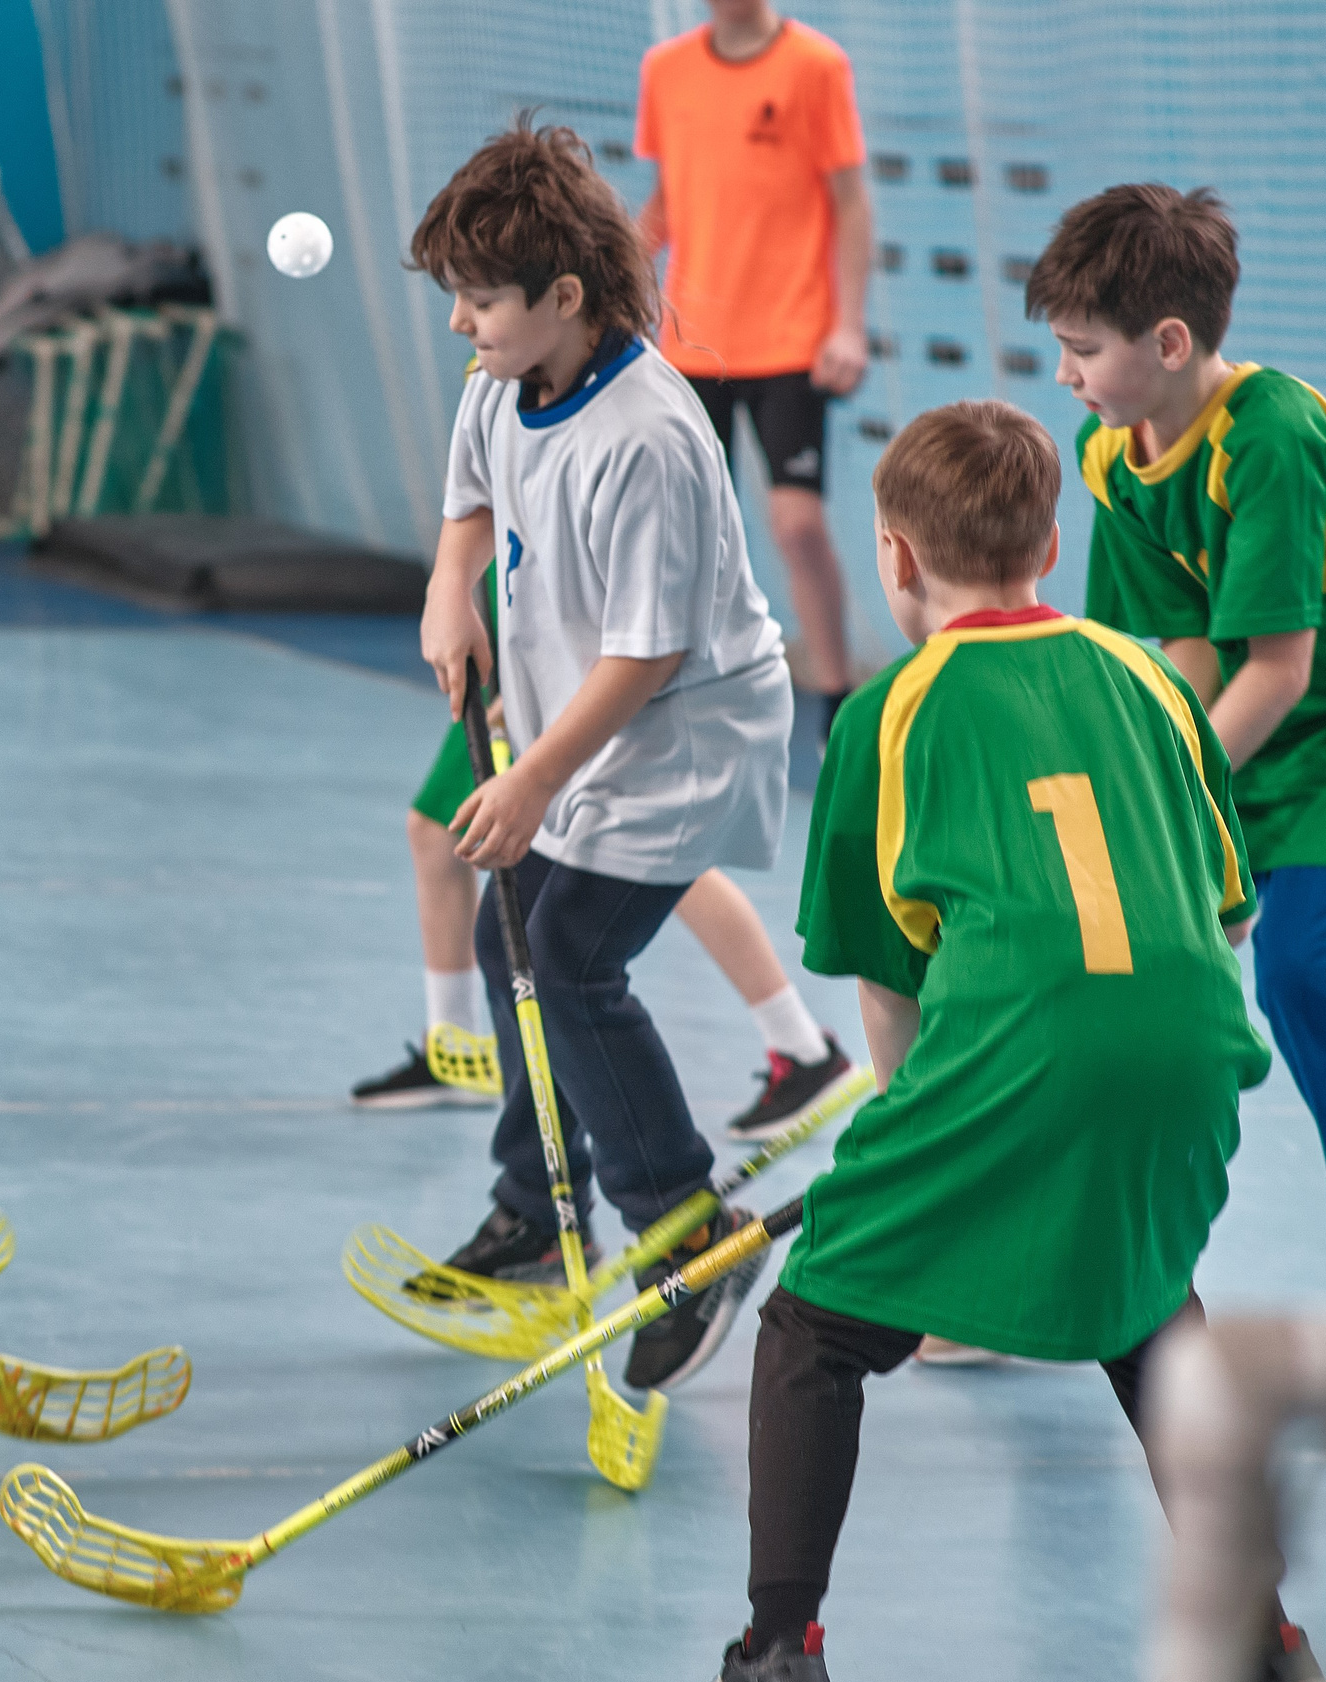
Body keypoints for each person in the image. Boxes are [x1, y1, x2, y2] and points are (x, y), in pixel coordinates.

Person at [684, 401, 1326, 1682]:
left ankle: (776, 1657)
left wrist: (913, 1139)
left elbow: (889, 998)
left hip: (1021, 1051)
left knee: (814, 1322)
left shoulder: (891, 713)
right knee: (1147, 1308)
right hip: (1196, 1047)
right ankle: (1266, 1646)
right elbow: (1229, 906)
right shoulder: (1152, 674)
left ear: (896, 558)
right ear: (1051, 537)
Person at [1026, 185, 1326, 1322]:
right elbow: (1189, 654)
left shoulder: (1271, 437)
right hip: (1250, 728)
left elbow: (1277, 669)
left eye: (1083, 350)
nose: (1064, 375)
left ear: (1168, 342)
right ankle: (1094, 1277)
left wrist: (1171, 796)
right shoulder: (1109, 454)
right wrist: (1148, 786)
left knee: (1299, 982)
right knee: (1138, 974)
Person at [409, 120, 792, 1392]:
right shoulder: (502, 384)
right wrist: (447, 589)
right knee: (508, 931)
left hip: (684, 740)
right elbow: (470, 502)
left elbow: (647, 661)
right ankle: (537, 1203)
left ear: (563, 297)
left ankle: (689, 1230)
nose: (461, 325)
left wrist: (527, 779)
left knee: (565, 956)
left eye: (479, 300)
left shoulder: (648, 440)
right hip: (584, 722)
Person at [354, 688, 858, 1142]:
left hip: (574, 675)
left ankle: (800, 1045)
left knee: (649, 853)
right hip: (526, 658)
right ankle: (456, 1043)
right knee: (441, 832)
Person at [635, 0, 871, 743]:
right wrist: (615, 280)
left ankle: (837, 698)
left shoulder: (815, 66)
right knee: (688, 529)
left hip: (793, 341)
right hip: (692, 342)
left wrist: (849, 325)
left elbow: (852, 203)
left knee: (796, 526)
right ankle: (680, 689)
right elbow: (669, 200)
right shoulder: (665, 70)